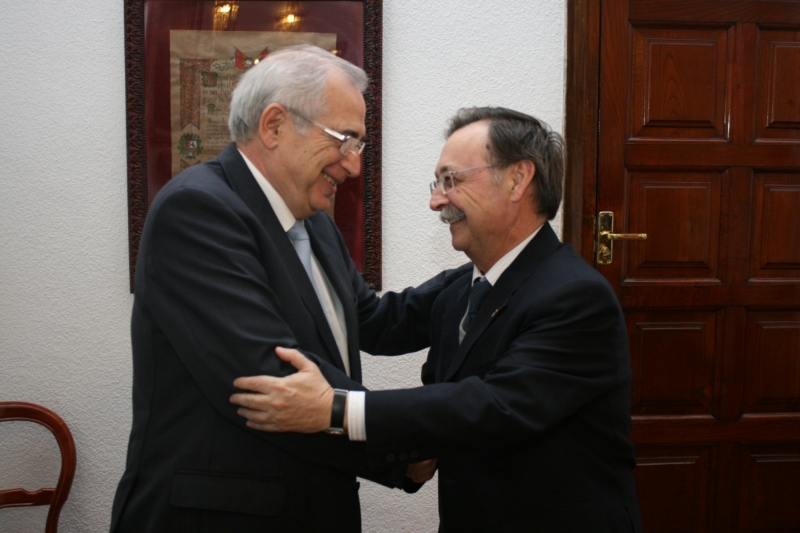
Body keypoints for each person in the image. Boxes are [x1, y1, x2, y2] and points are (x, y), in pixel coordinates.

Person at [231, 107, 644, 532]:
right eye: (438, 183)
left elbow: (494, 405)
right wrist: (303, 221)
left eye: (452, 180)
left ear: (518, 179)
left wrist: (335, 410)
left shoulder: (576, 296)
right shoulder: (463, 288)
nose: (436, 200)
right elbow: (376, 322)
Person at [110, 45, 465, 533]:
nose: (353, 164)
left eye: (358, 145)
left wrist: (492, 270)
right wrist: (404, 451)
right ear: (274, 126)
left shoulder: (311, 219)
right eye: (345, 140)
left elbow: (372, 321)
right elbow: (271, 384)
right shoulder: (196, 210)